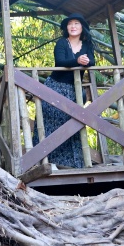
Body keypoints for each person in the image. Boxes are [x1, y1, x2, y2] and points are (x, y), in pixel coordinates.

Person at [40, 13, 95, 168]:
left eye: (76, 23)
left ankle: (73, 163)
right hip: (55, 86)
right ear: (66, 28)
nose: (73, 26)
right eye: (70, 24)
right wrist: (77, 61)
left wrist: (87, 61)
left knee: (72, 123)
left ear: (82, 27)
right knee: (53, 122)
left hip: (73, 90)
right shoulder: (62, 43)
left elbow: (92, 60)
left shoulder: (87, 45)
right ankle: (47, 161)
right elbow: (60, 62)